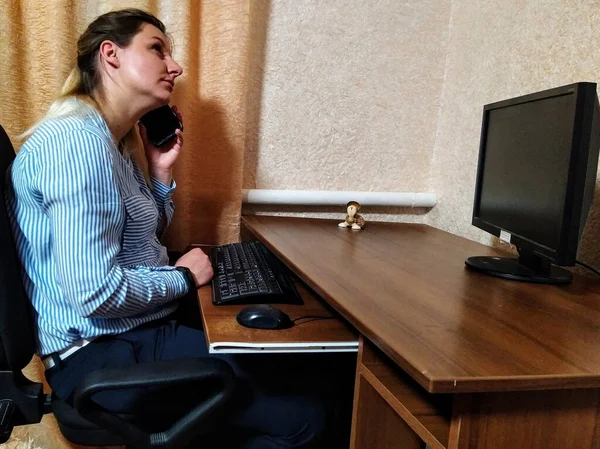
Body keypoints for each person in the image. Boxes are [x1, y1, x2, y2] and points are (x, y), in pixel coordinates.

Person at [5, 8, 326, 448]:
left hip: (125, 337)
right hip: (103, 355)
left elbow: (139, 239)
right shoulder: (77, 144)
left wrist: (157, 173)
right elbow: (95, 292)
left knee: (295, 367)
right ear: (111, 54)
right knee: (304, 415)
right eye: (157, 49)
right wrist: (184, 277)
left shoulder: (112, 140)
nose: (174, 66)